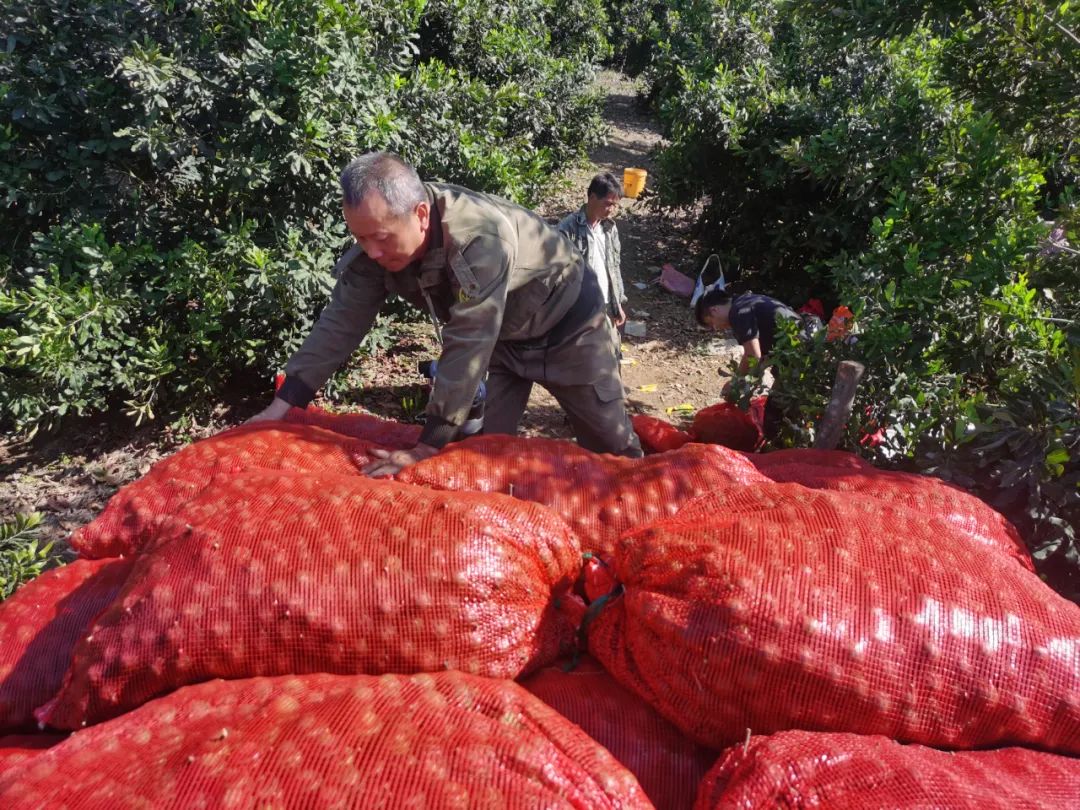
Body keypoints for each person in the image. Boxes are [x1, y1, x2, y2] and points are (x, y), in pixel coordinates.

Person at [247, 152, 642, 474]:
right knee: (484, 457)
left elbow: (470, 339)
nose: (371, 252)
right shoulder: (377, 245)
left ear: (420, 214)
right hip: (506, 339)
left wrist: (427, 444)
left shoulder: (478, 239)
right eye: (360, 238)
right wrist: (283, 405)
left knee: (612, 448)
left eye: (380, 238)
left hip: (569, 328)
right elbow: (340, 322)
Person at [695, 287, 820, 435]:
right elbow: (761, 356)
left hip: (802, 357)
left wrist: (735, 383)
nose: (717, 328)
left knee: (775, 419)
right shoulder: (746, 301)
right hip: (809, 346)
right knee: (795, 408)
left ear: (714, 310)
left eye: (712, 323)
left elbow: (753, 356)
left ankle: (782, 452)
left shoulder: (738, 312)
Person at [557, 172, 627, 329]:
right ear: (592, 197)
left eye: (615, 205)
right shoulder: (567, 229)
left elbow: (615, 266)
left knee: (608, 350)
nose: (611, 210)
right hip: (579, 307)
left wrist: (618, 304)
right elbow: (559, 275)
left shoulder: (610, 228)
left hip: (606, 303)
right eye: (608, 204)